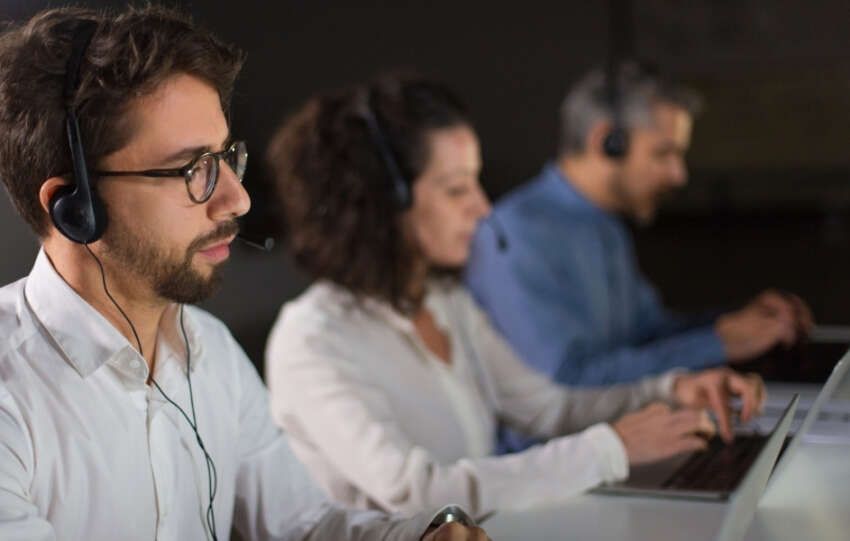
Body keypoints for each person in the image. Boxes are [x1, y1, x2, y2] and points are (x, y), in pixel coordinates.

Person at [0, 7, 489, 541]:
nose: (237, 198)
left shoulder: (211, 353)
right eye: (193, 170)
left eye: (226, 157)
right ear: (75, 206)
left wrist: (421, 536)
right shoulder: (12, 394)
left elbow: (302, 526)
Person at [263, 73, 766, 519]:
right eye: (457, 189)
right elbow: (416, 495)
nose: (483, 210)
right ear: (382, 203)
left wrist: (670, 390)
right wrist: (610, 449)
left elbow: (546, 409)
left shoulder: (443, 302)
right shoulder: (312, 340)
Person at [464, 62, 813, 452]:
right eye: (663, 154)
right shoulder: (515, 235)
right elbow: (566, 383)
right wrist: (716, 343)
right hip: (554, 471)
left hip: (621, 448)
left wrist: (733, 323)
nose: (678, 175)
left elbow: (642, 333)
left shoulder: (605, 224)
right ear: (606, 142)